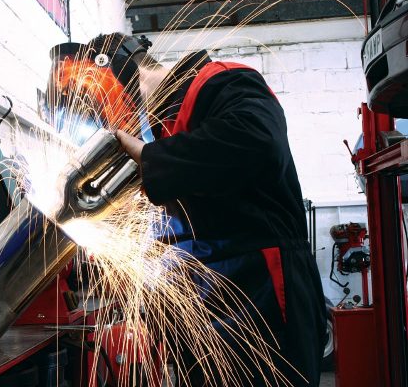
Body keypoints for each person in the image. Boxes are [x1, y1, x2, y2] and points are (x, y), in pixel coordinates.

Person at [46, 33, 327, 386]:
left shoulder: (222, 81)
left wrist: (150, 158)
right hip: (215, 308)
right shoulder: (164, 129)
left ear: (115, 75)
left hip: (264, 301)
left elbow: (259, 140)